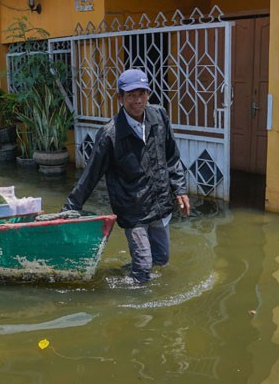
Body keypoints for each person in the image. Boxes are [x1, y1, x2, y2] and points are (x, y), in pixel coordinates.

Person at [62, 68, 190, 282]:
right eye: (131, 95)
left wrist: (180, 189)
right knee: (143, 269)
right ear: (120, 98)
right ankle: (140, 308)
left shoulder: (159, 116)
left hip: (159, 204)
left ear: (148, 94)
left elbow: (171, 156)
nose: (137, 101)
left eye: (141, 94)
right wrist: (70, 209)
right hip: (133, 211)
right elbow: (91, 175)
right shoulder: (110, 134)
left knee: (161, 258)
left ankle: (117, 276)